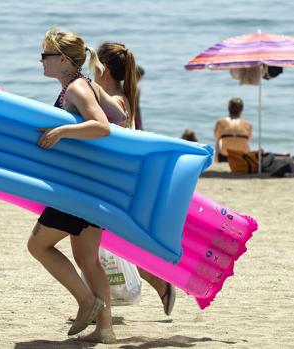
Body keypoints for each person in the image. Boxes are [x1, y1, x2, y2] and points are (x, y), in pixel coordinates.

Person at [31, 27, 115, 343]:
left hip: (77, 188)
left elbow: (102, 127)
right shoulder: (81, 85)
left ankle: (86, 301)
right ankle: (105, 330)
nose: (41, 61)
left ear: (63, 60)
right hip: (91, 184)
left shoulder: (77, 88)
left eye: (45, 55)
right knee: (87, 259)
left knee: (38, 245)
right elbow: (118, 113)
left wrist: (61, 131)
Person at [95, 41, 176, 318]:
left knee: (97, 245)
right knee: (104, 245)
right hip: (115, 181)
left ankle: (155, 281)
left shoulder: (114, 100)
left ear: (103, 68)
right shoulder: (122, 96)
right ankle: (97, 305)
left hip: (110, 183)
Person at [213, 98, 252, 163]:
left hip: (225, 156)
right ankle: (249, 161)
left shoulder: (220, 122)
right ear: (241, 110)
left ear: (229, 109)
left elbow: (216, 136)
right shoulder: (248, 124)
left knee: (219, 140)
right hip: (242, 156)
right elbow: (248, 140)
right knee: (245, 141)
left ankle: (216, 161)